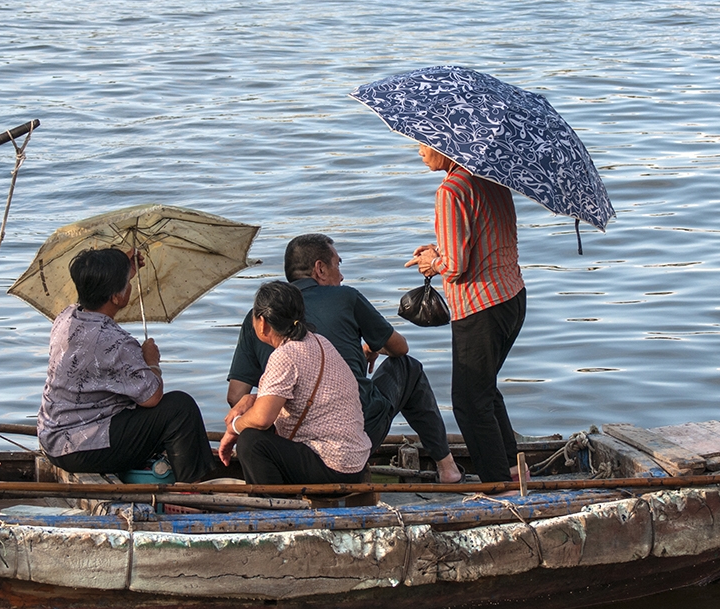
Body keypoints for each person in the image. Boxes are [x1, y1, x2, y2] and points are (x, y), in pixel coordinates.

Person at [225, 234, 461, 482]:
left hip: (290, 437)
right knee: (407, 367)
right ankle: (447, 467)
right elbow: (400, 348)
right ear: (320, 268)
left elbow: (235, 396)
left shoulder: (258, 316)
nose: (341, 275)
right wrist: (372, 344)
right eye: (338, 264)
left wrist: (258, 403)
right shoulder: (344, 299)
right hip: (359, 430)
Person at [38, 247, 217, 483]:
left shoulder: (66, 317)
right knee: (180, 408)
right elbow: (152, 397)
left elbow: (100, 314)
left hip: (52, 437)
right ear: (116, 297)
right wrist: (151, 362)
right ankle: (193, 492)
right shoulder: (118, 343)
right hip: (80, 449)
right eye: (126, 283)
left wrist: (120, 270)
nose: (129, 286)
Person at [405, 144, 526, 483]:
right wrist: (438, 250)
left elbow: (456, 266)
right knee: (484, 389)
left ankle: (497, 486)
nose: (419, 150)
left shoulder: (450, 190)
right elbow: (479, 239)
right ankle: (513, 469)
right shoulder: (491, 179)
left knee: (469, 402)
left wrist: (433, 262)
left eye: (425, 144)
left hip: (480, 306)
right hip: (511, 297)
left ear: (447, 146)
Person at [219, 281, 371, 485]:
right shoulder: (319, 341)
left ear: (262, 323)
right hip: (354, 461)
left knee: (250, 441)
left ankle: (274, 511)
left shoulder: (285, 355)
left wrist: (234, 427)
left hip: (332, 465)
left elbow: (263, 418)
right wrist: (251, 398)